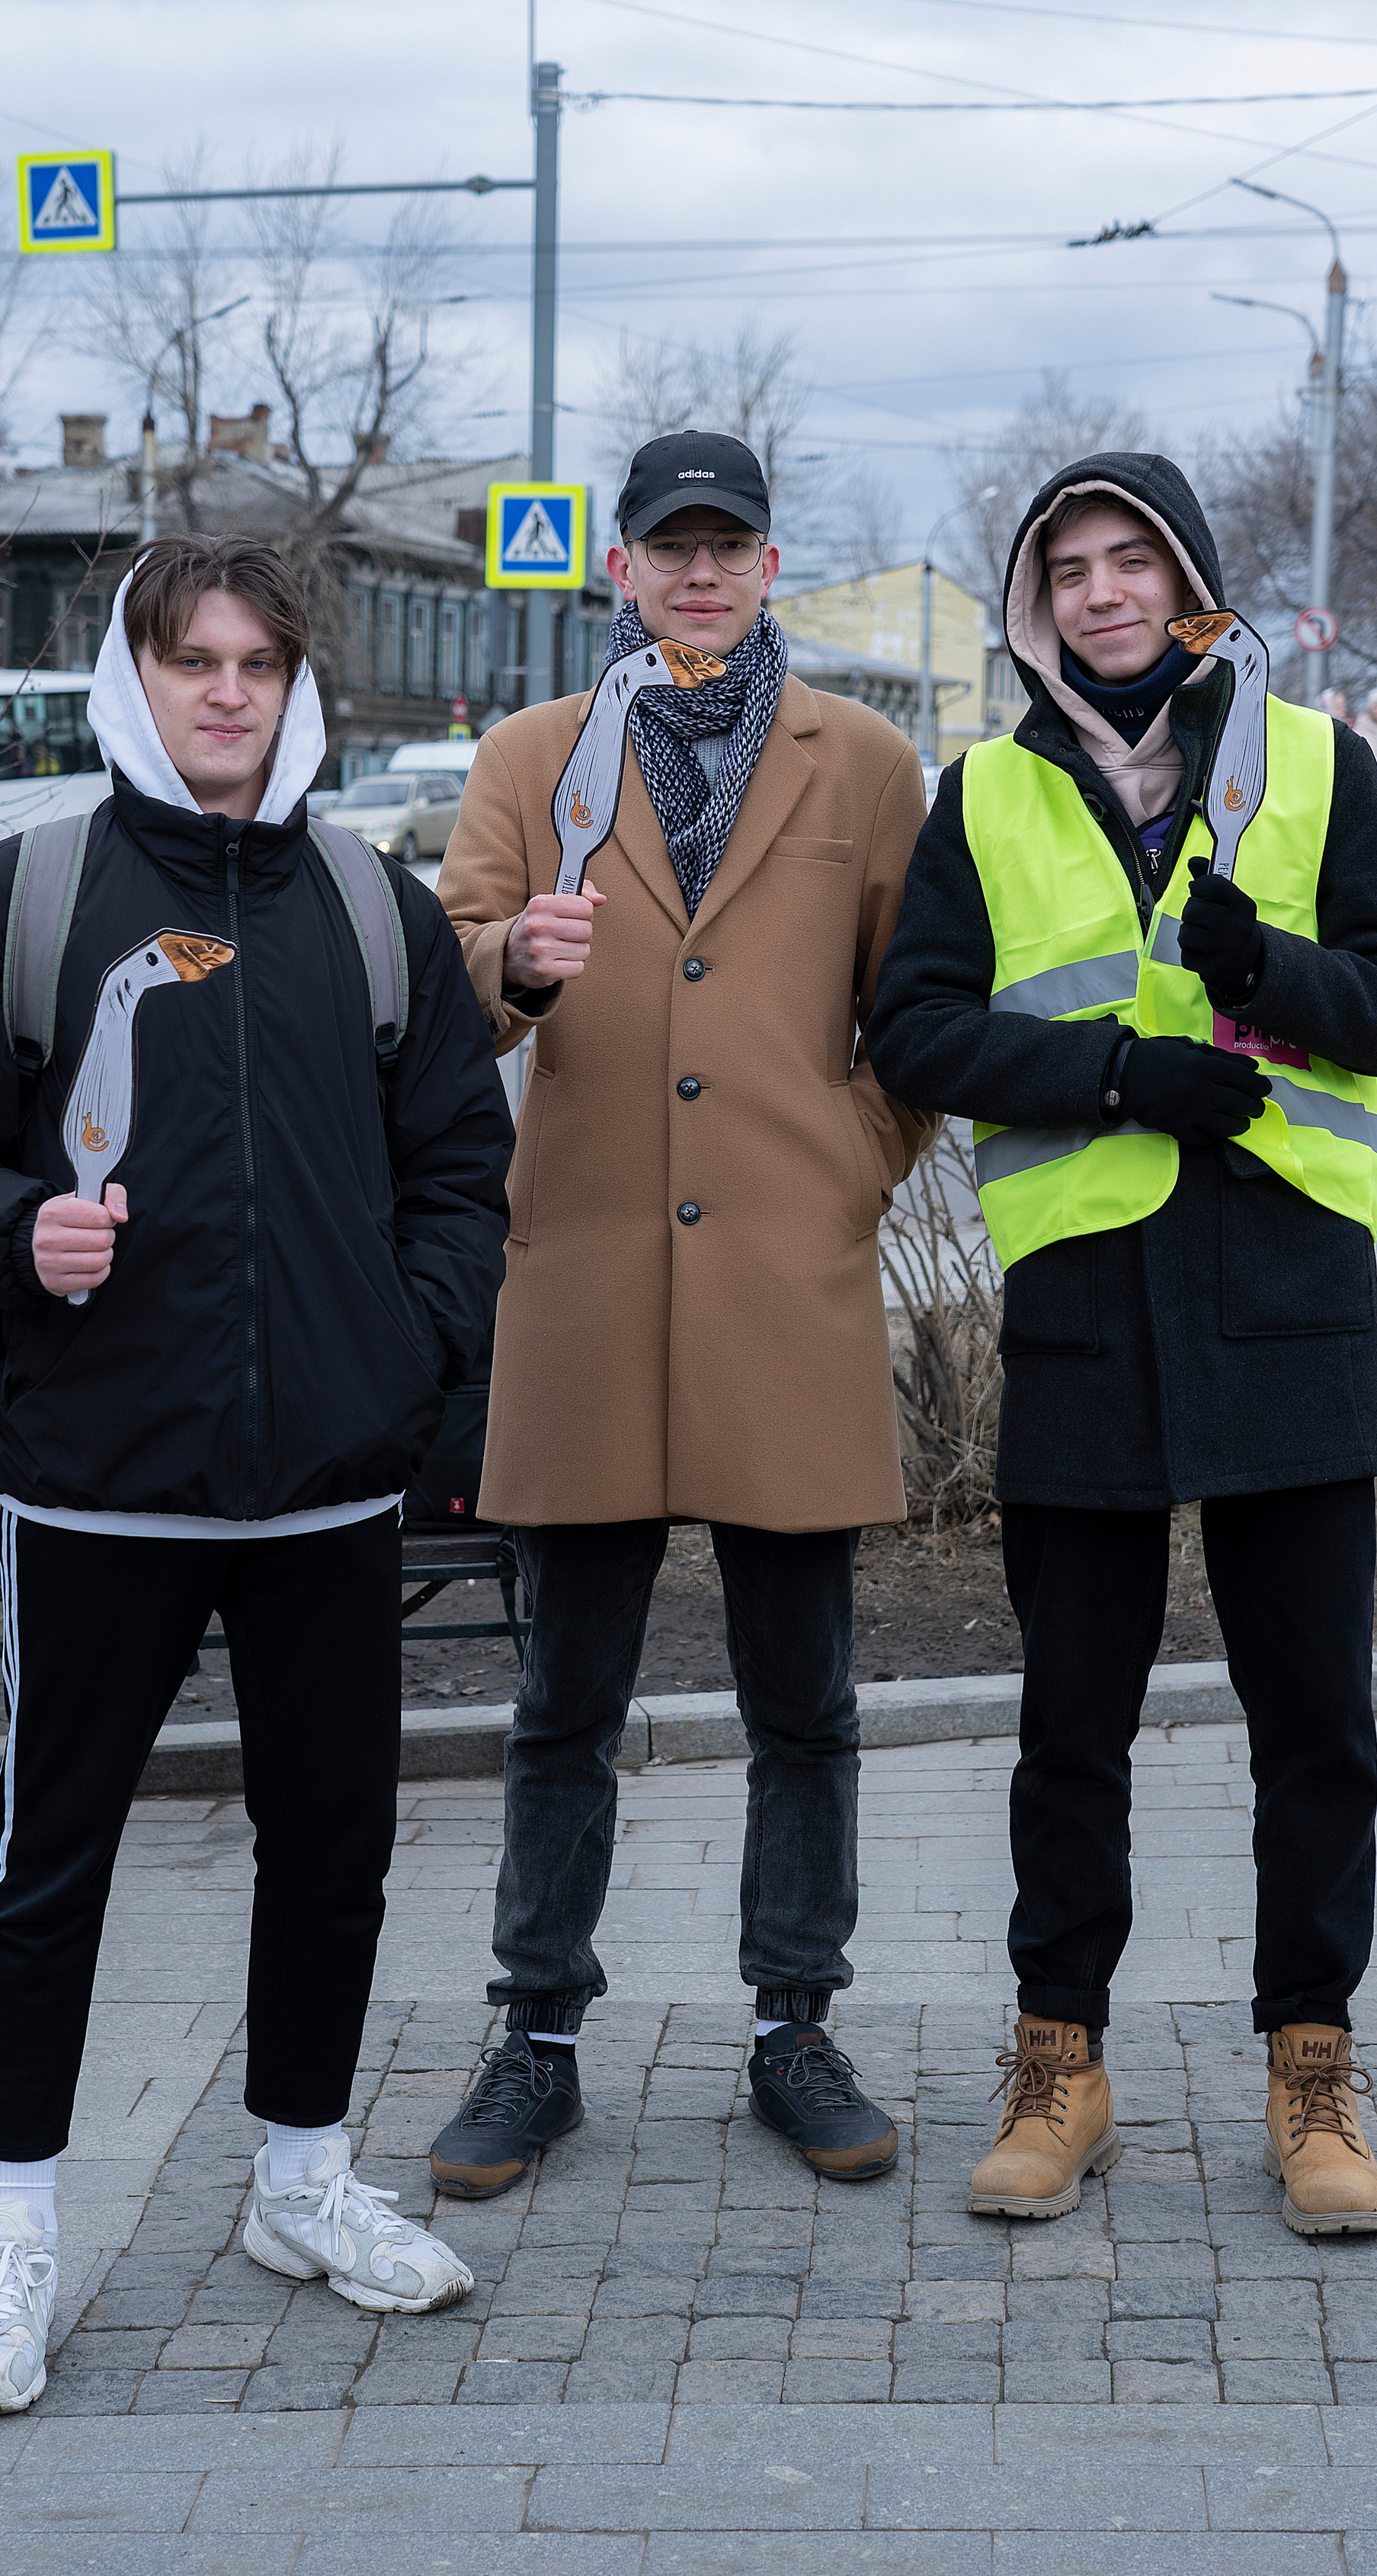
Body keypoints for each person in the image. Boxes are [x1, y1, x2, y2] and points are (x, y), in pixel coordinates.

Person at [0, 537, 514, 2414]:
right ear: (137, 678)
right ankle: (16, 2231)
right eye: (190, 659)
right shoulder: (26, 894)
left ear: (295, 686)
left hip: (324, 1487)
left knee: (333, 1852)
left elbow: (463, 1173)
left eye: (255, 662)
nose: (226, 690)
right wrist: (12, 1230)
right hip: (97, 1482)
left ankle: (300, 2180)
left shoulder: (370, 912)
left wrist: (405, 1343)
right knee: (46, 1865)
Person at [865, 453, 1377, 2239]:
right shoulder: (973, 792)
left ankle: (1310, 2069)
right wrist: (1120, 1071)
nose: (1102, 590)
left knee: (1313, 1729)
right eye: (1068, 566)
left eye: (1134, 561)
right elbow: (914, 1030)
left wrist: (1259, 967)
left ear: (1190, 582)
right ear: (1034, 597)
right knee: (1068, 1728)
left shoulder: (1312, 764)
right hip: (1084, 1319)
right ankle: (1061, 2064)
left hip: (1282, 1301)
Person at [429, 430, 934, 2196]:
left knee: (804, 1699)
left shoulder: (864, 763)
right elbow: (447, 987)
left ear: (767, 563)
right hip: (579, 1284)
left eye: (725, 547)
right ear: (620, 570)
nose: (697, 574)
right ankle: (537, 2032)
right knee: (562, 1698)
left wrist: (848, 1163)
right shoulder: (530, 757)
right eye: (668, 549)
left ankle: (794, 2021)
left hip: (783, 1286)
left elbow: (915, 1013)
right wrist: (511, 965)